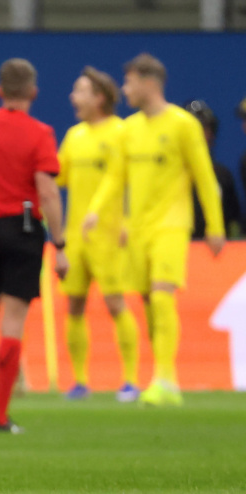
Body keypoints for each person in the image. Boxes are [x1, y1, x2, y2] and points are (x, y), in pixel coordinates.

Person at [85, 53, 225, 407]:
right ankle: (164, 377)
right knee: (148, 301)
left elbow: (205, 178)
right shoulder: (129, 129)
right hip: (137, 229)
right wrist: (95, 211)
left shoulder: (183, 125)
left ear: (149, 82)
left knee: (162, 295)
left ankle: (165, 379)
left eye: (129, 82)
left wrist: (215, 226)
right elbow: (115, 177)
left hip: (172, 225)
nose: (124, 89)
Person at [0, 58, 68, 433]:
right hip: (23, 229)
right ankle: (1, 415)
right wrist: (60, 243)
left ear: (0, 91)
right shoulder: (41, 133)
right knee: (13, 321)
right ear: (34, 92)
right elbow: (47, 191)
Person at [56, 67, 141, 402]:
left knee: (115, 303)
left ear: (99, 97)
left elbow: (132, 181)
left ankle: (130, 380)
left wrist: (128, 222)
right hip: (76, 235)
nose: (72, 97)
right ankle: (80, 382)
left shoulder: (121, 132)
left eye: (80, 91)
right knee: (74, 305)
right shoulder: (74, 135)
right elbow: (58, 175)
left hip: (110, 234)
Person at [182, 100, 241, 238]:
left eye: (203, 128)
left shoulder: (222, 175)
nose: (197, 135)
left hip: (213, 246)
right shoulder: (165, 175)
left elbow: (233, 221)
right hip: (174, 243)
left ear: (212, 133)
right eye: (191, 129)